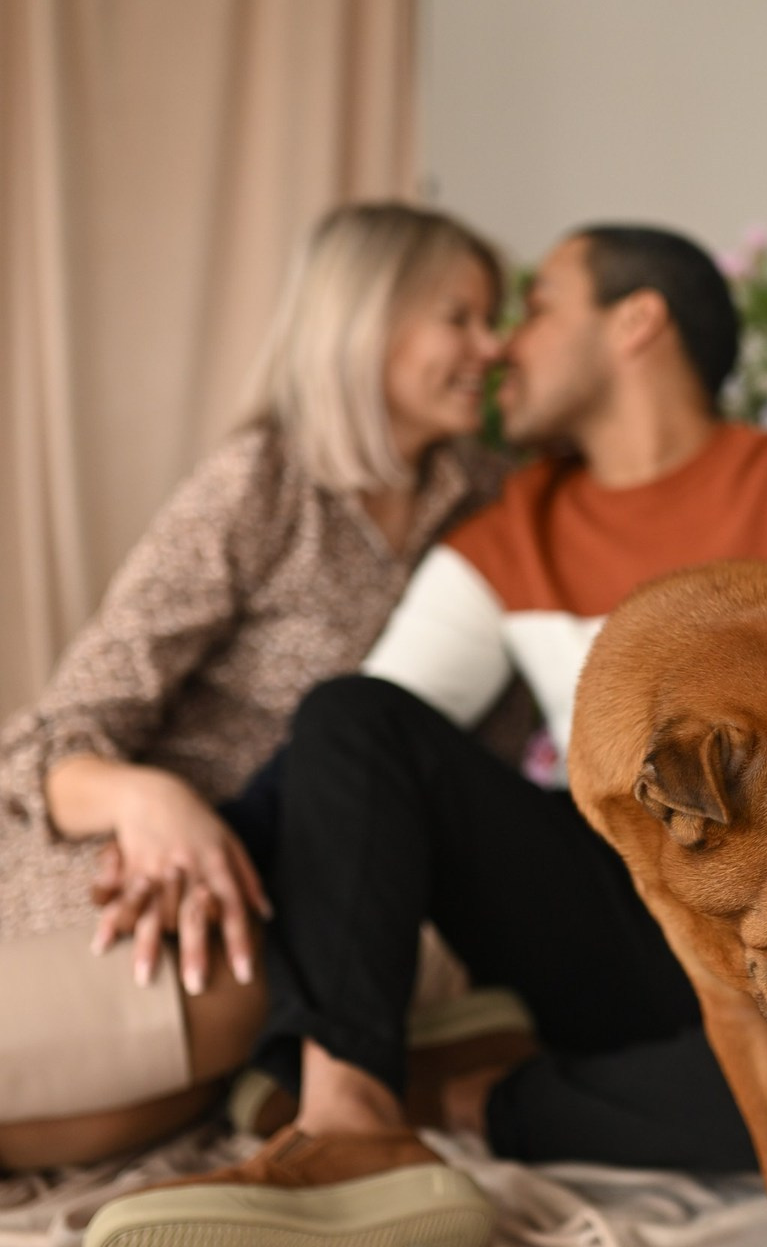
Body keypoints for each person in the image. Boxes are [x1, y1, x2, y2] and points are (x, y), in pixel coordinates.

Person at [85, 225, 767, 1247]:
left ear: (634, 322)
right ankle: (344, 1113)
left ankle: (480, 1094)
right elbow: (360, 761)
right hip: (612, 912)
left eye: (537, 306)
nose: (503, 344)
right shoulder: (512, 526)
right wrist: (180, 826)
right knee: (347, 713)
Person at [0, 201, 509, 1170]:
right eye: (461, 316)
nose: (491, 347)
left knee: (212, 1042)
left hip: (295, 905)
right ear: (367, 319)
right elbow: (49, 738)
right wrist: (154, 801)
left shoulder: (489, 500)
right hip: (130, 873)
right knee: (210, 1007)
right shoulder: (260, 484)